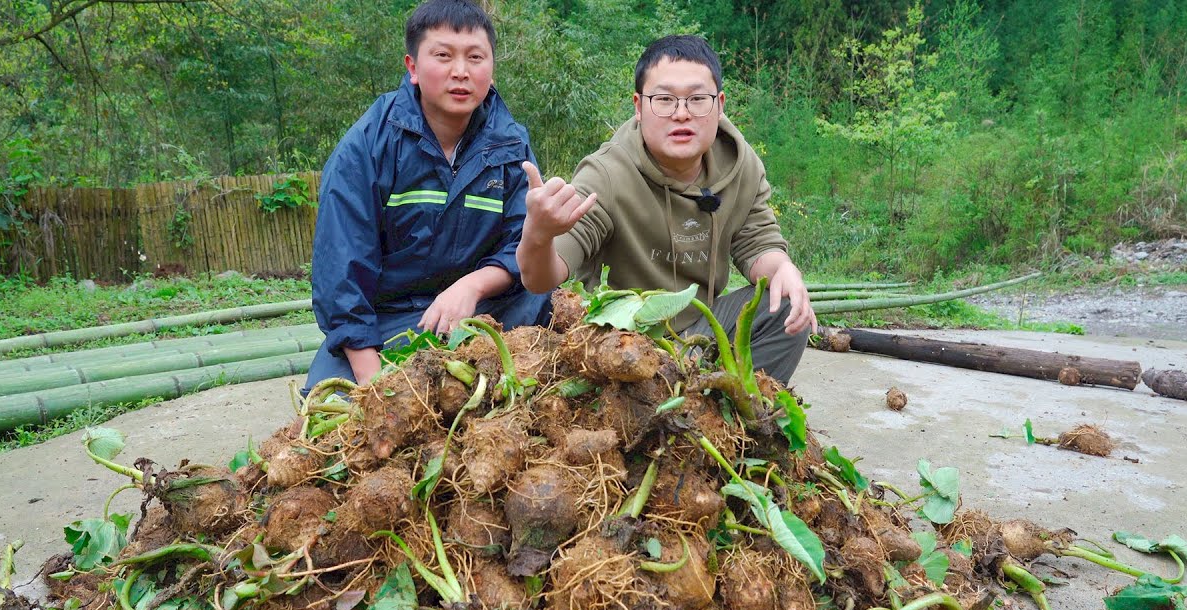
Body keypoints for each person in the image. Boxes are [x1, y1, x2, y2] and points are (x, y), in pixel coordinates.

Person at [516, 35, 817, 384]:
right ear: (638, 106)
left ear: (719, 105)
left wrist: (783, 268)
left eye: (697, 99)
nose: (682, 113)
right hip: (622, 342)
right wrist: (538, 234)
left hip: (702, 333)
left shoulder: (740, 164)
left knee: (781, 303)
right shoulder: (607, 174)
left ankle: (740, 418)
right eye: (664, 99)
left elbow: (758, 243)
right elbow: (541, 279)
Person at [305, 0, 548, 393]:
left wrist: (471, 287)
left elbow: (523, 244)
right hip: (389, 321)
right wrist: (373, 386)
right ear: (413, 67)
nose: (460, 72)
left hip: (485, 311)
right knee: (336, 407)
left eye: (475, 57)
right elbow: (341, 271)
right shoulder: (369, 144)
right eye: (443, 55)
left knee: (544, 317)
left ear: (491, 68)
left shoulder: (511, 144)